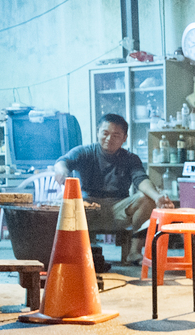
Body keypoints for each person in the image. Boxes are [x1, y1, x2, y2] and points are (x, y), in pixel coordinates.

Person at [53, 113, 174, 263]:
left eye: (116, 135)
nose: (109, 138)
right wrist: (62, 170)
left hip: (119, 208)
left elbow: (141, 179)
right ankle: (73, 256)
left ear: (124, 138)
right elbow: (63, 161)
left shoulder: (131, 158)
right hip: (87, 207)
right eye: (105, 133)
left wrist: (157, 197)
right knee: (65, 204)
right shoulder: (84, 152)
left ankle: (134, 252)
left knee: (146, 198)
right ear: (97, 132)